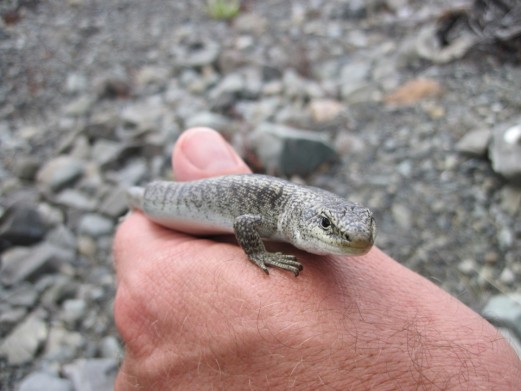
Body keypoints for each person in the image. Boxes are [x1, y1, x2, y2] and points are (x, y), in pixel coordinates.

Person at [113, 127, 521, 390]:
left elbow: (352, 231)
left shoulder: (325, 221)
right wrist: (258, 255)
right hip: (159, 201)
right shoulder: (278, 209)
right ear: (310, 220)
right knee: (138, 201)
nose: (359, 242)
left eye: (368, 228)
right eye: (327, 226)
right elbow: (245, 220)